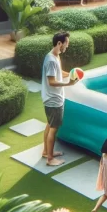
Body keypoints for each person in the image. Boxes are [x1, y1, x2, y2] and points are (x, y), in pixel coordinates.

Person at [42, 32, 78, 166]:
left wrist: (72, 74)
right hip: (53, 99)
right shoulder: (51, 60)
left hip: (51, 98)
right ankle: (50, 159)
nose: (67, 47)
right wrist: (68, 83)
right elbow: (52, 81)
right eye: (66, 44)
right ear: (59, 43)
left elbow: (59, 73)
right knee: (54, 128)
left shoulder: (54, 56)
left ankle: (46, 151)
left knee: (49, 124)